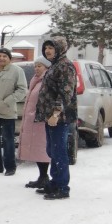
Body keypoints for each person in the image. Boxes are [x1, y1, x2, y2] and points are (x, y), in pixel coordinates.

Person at [34, 37, 77, 200]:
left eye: (51, 47)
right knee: (51, 150)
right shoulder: (55, 65)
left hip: (59, 117)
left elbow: (66, 93)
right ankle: (55, 181)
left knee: (59, 152)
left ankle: (62, 187)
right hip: (50, 116)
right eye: (46, 48)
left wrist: (56, 113)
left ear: (60, 48)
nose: (48, 51)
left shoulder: (65, 66)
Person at [0, 47, 28, 176]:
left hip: (7, 111)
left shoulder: (17, 71)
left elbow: (22, 90)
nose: (1, 58)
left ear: (9, 58)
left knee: (8, 140)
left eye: (4, 56)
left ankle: (10, 167)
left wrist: (8, 100)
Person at [19, 56, 51, 188]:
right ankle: (42, 176)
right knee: (38, 149)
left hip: (41, 121)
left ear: (47, 67)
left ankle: (45, 177)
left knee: (42, 149)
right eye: (35, 66)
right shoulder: (36, 80)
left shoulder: (46, 81)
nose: (36, 68)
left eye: (40, 66)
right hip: (33, 120)